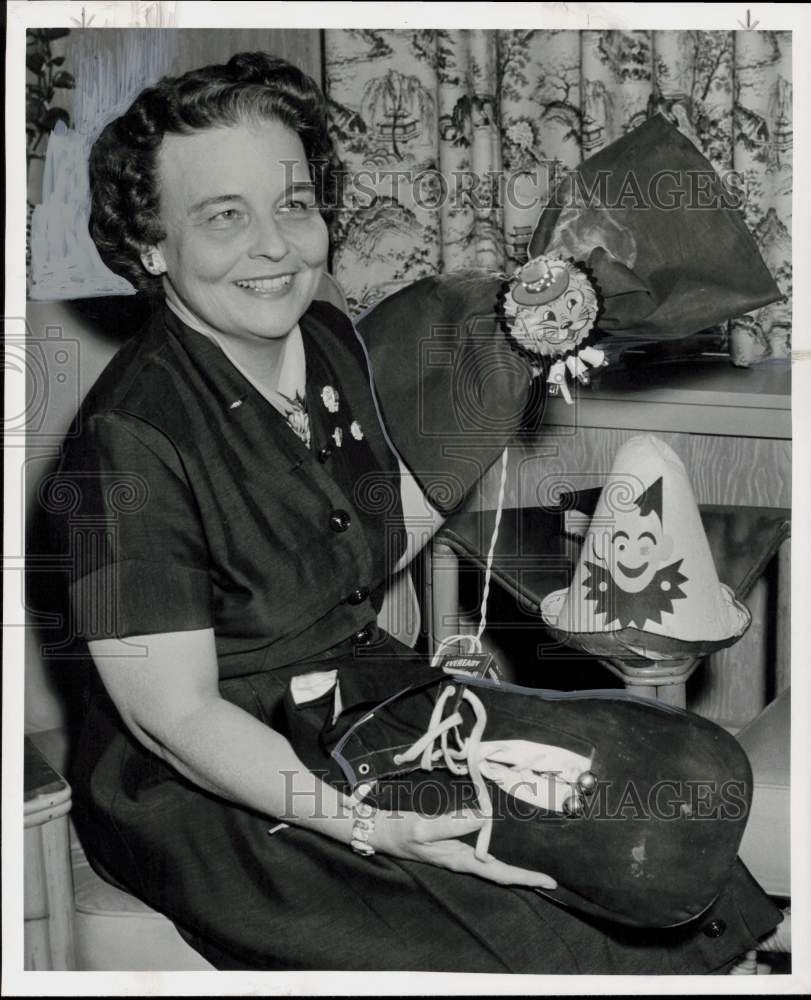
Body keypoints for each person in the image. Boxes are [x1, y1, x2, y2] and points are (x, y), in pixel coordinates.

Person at [50, 50, 780, 973]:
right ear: (152, 244)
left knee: (658, 809)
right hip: (210, 783)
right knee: (526, 919)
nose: (275, 246)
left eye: (294, 205)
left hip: (361, 699)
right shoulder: (129, 438)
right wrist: (368, 825)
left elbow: (361, 546)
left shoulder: (320, 336)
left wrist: (496, 376)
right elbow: (175, 719)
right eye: (223, 217)